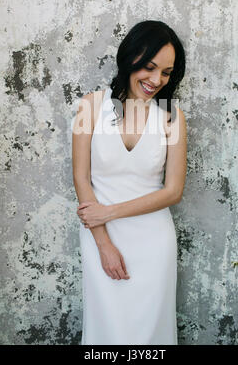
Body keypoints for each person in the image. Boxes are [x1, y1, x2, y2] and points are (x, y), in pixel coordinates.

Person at [72, 20, 187, 345]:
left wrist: (109, 212)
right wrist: (104, 244)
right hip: (101, 238)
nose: (156, 80)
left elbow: (173, 191)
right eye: (149, 67)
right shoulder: (90, 106)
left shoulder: (171, 115)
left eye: (166, 72)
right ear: (130, 58)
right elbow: (81, 177)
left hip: (154, 241)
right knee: (106, 329)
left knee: (151, 333)